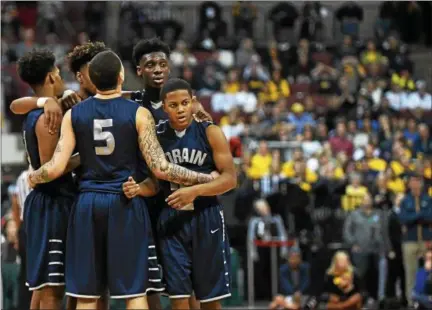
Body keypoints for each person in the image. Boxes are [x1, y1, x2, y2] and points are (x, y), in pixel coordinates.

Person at [26, 51, 215, 310]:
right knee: (135, 293)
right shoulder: (138, 114)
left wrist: (34, 176)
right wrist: (204, 178)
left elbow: (56, 167)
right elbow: (161, 168)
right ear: (121, 76)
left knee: (86, 297)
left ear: (92, 78)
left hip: (87, 204)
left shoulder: (73, 114)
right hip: (125, 201)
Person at [123, 78, 237, 310]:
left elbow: (230, 180)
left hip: (207, 217)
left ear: (193, 102)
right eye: (173, 105)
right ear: (164, 107)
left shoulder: (210, 132)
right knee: (178, 297)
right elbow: (154, 183)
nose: (180, 109)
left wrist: (193, 192)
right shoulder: (157, 136)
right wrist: (138, 189)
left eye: (185, 103)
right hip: (172, 220)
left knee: (209, 298)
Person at [127, 37, 211, 309]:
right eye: (150, 64)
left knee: (190, 282)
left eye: (163, 63)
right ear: (138, 70)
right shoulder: (131, 104)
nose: (158, 69)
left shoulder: (186, 107)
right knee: (151, 279)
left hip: (183, 201)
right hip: (146, 200)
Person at [17, 48, 80, 310]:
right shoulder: (47, 118)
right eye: (59, 72)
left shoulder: (46, 107)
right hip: (51, 203)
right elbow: (52, 167)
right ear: (51, 76)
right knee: (52, 289)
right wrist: (87, 155)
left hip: (49, 203)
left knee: (42, 287)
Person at [9, 41, 108, 134]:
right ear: (79, 76)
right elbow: (14, 105)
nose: (99, 76)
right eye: (93, 71)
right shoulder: (69, 102)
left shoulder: (116, 101)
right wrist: (46, 101)